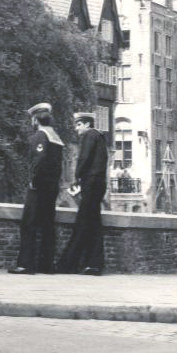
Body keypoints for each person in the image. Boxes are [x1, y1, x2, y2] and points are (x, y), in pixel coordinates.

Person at [9, 103, 64, 275]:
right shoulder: (56, 137)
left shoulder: (40, 136)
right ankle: (46, 265)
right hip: (52, 186)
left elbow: (38, 161)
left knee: (29, 223)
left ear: (35, 119)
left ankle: (26, 264)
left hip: (38, 186)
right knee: (48, 225)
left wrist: (33, 180)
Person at [57, 112, 109, 276]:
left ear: (87, 124)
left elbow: (84, 158)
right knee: (93, 224)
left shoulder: (89, 135)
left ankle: (68, 264)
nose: (76, 128)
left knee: (83, 223)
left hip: (91, 184)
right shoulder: (99, 137)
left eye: (79, 124)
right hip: (98, 184)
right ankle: (94, 264)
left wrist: (76, 177)